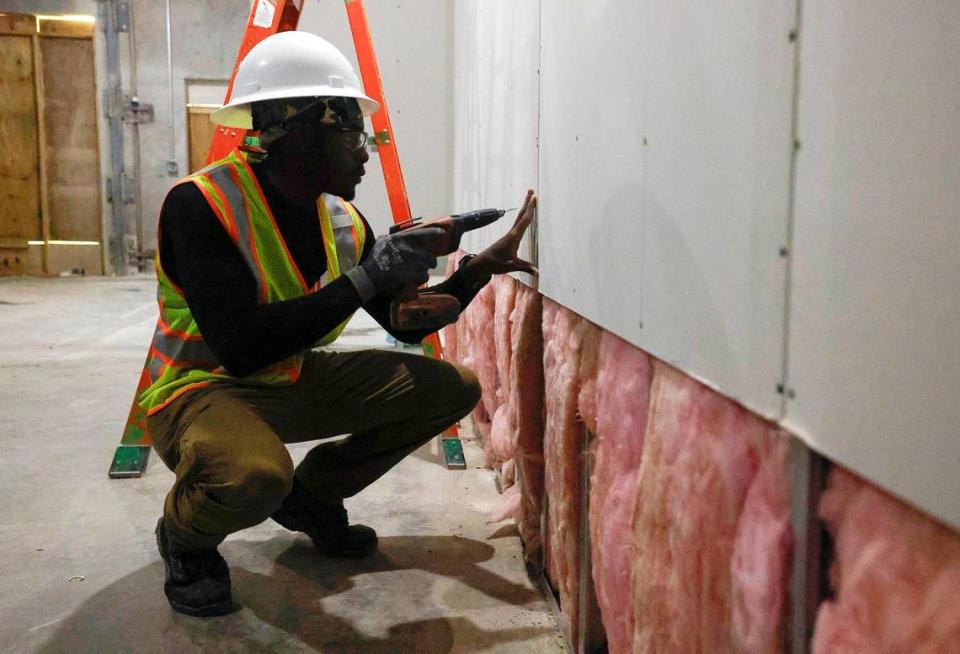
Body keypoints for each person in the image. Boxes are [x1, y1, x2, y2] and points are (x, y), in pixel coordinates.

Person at [140, 30, 537, 617]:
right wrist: (365, 279)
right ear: (302, 133)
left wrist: (477, 270)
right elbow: (240, 346)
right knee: (254, 476)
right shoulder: (201, 204)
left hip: (288, 380)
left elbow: (403, 325)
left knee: (452, 387)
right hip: (198, 390)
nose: (365, 152)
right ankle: (186, 539)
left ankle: (312, 497)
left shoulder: (343, 219)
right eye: (353, 133)